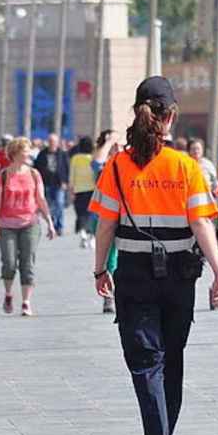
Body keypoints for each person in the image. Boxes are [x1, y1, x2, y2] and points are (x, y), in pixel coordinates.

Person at [90, 76, 218, 435]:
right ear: (171, 117)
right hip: (179, 277)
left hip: (133, 274)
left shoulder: (117, 167)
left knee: (146, 362)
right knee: (172, 359)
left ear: (137, 113)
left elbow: (104, 227)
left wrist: (101, 269)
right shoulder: (185, 167)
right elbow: (202, 226)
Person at [0, 137, 56, 317]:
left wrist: (49, 222)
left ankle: (26, 302)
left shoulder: (34, 174)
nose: (29, 153)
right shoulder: (2, 176)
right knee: (9, 263)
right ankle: (9, 294)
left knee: (28, 262)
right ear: (16, 153)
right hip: (6, 225)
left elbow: (41, 199)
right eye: (26, 150)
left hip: (30, 223)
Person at [91, 130, 121, 314]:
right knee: (110, 258)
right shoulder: (105, 164)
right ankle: (108, 297)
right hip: (106, 215)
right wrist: (109, 143)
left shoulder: (125, 161)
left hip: (127, 216)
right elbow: (96, 163)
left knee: (122, 258)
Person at [33, 133, 70, 235]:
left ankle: (60, 225)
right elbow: (37, 168)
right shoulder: (42, 154)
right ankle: (52, 224)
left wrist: (66, 181)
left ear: (57, 142)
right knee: (49, 205)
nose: (52, 143)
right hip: (46, 183)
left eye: (54, 141)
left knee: (59, 203)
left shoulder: (62, 154)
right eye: (50, 141)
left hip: (59, 183)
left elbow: (67, 168)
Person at [67, 136, 97, 247]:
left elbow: (71, 175)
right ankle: (91, 236)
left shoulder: (75, 158)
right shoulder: (93, 158)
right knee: (91, 214)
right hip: (92, 189)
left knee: (81, 213)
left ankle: (83, 233)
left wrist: (71, 189)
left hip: (78, 189)